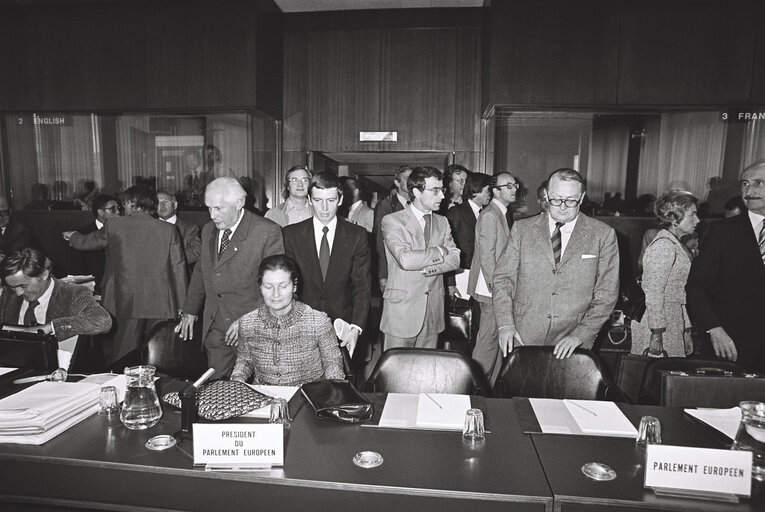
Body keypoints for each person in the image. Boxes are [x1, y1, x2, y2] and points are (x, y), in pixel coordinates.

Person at [493, 168, 620, 359]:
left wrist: (580, 335)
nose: (562, 206)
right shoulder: (522, 230)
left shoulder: (603, 235)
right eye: (556, 199)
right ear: (546, 195)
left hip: (574, 339)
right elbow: (503, 279)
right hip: (523, 334)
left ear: (582, 197)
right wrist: (505, 324)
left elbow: (607, 295)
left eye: (570, 200)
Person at [65, 185, 187, 363]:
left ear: (131, 202)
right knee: (160, 356)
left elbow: (86, 242)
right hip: (161, 303)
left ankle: (123, 385)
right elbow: (178, 269)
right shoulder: (169, 230)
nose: (123, 207)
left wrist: (73, 235)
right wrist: (183, 305)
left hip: (125, 301)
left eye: (124, 203)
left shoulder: (114, 225)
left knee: (124, 354)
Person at [178, 177, 284, 379]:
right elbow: (202, 271)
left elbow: (276, 288)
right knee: (218, 389)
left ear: (239, 203)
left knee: (256, 390)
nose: (212, 215)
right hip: (216, 326)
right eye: (209, 208)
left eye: (218, 208)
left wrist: (248, 322)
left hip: (254, 328)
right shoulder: (209, 229)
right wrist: (190, 310)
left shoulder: (267, 232)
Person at [686, 161, 765, 372]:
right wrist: (714, 329)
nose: (750, 190)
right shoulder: (722, 232)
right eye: (745, 183)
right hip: (732, 348)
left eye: (758, 183)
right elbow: (697, 287)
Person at [283, 173, 371, 356]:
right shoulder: (291, 235)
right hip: (300, 328)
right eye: (318, 200)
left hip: (342, 329)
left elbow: (362, 286)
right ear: (309, 199)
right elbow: (288, 285)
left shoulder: (357, 235)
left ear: (340, 200)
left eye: (330, 200)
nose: (324, 208)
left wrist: (356, 327)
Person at [230, 254, 344, 385]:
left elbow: (333, 363)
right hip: (264, 397)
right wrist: (238, 377)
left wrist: (333, 391)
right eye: (268, 286)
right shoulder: (247, 323)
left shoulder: (317, 321)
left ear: (294, 286)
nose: (276, 294)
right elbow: (245, 359)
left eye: (283, 286)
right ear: (260, 287)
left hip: (309, 397)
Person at [380, 166, 460, 348]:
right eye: (435, 191)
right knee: (396, 372)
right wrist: (440, 251)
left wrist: (429, 268)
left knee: (425, 372)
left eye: (443, 190)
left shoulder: (443, 221)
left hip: (433, 312)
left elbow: (455, 258)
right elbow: (405, 260)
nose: (442, 196)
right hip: (402, 312)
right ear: (416, 191)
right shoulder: (392, 221)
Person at [631, 191, 699, 358]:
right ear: (675, 219)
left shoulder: (674, 244)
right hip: (657, 324)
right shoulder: (664, 246)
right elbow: (653, 293)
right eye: (693, 214)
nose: (698, 220)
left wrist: (686, 330)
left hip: (671, 319)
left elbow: (678, 292)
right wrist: (656, 333)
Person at [468, 172, 518, 383]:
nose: (514, 189)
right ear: (495, 191)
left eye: (515, 185)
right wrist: (497, 288)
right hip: (490, 289)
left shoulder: (501, 213)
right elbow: (487, 257)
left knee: (498, 339)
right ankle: (474, 385)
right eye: (508, 186)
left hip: (495, 288)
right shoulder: (490, 215)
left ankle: (490, 387)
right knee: (488, 340)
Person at [0, 248, 112, 340]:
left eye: (23, 286)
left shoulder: (73, 293)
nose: (18, 293)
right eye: (12, 287)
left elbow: (103, 321)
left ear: (44, 274)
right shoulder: (7, 293)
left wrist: (51, 327)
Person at [373, 165, 413, 293]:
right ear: (397, 182)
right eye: (407, 178)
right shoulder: (386, 206)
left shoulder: (419, 205)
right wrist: (383, 275)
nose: (411, 182)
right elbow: (379, 241)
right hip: (393, 269)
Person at [446, 172, 492, 270]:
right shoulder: (457, 212)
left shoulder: (488, 213)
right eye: (487, 191)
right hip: (462, 271)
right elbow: (448, 248)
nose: (490, 194)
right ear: (475, 191)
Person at [75, 194, 120, 292]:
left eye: (118, 208)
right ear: (100, 212)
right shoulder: (82, 235)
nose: (118, 212)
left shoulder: (122, 232)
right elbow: (78, 271)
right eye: (113, 209)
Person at [156, 190, 201, 267]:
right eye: (158, 203)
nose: (162, 205)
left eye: (165, 202)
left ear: (175, 205)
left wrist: (170, 260)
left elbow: (196, 252)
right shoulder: (149, 227)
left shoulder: (190, 229)